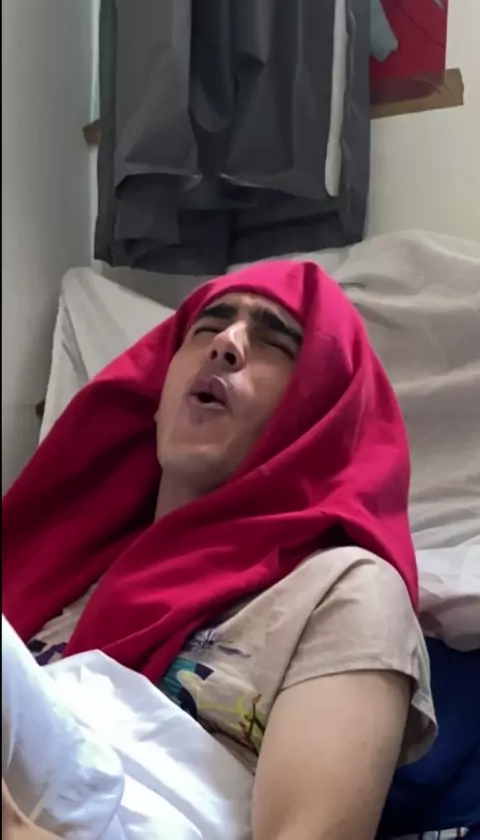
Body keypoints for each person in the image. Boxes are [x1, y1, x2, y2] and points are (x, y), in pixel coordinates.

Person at [2, 259, 436, 839]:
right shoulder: (68, 567)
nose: (226, 343)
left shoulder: (344, 589)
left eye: (275, 341)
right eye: (208, 327)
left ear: (317, 412)